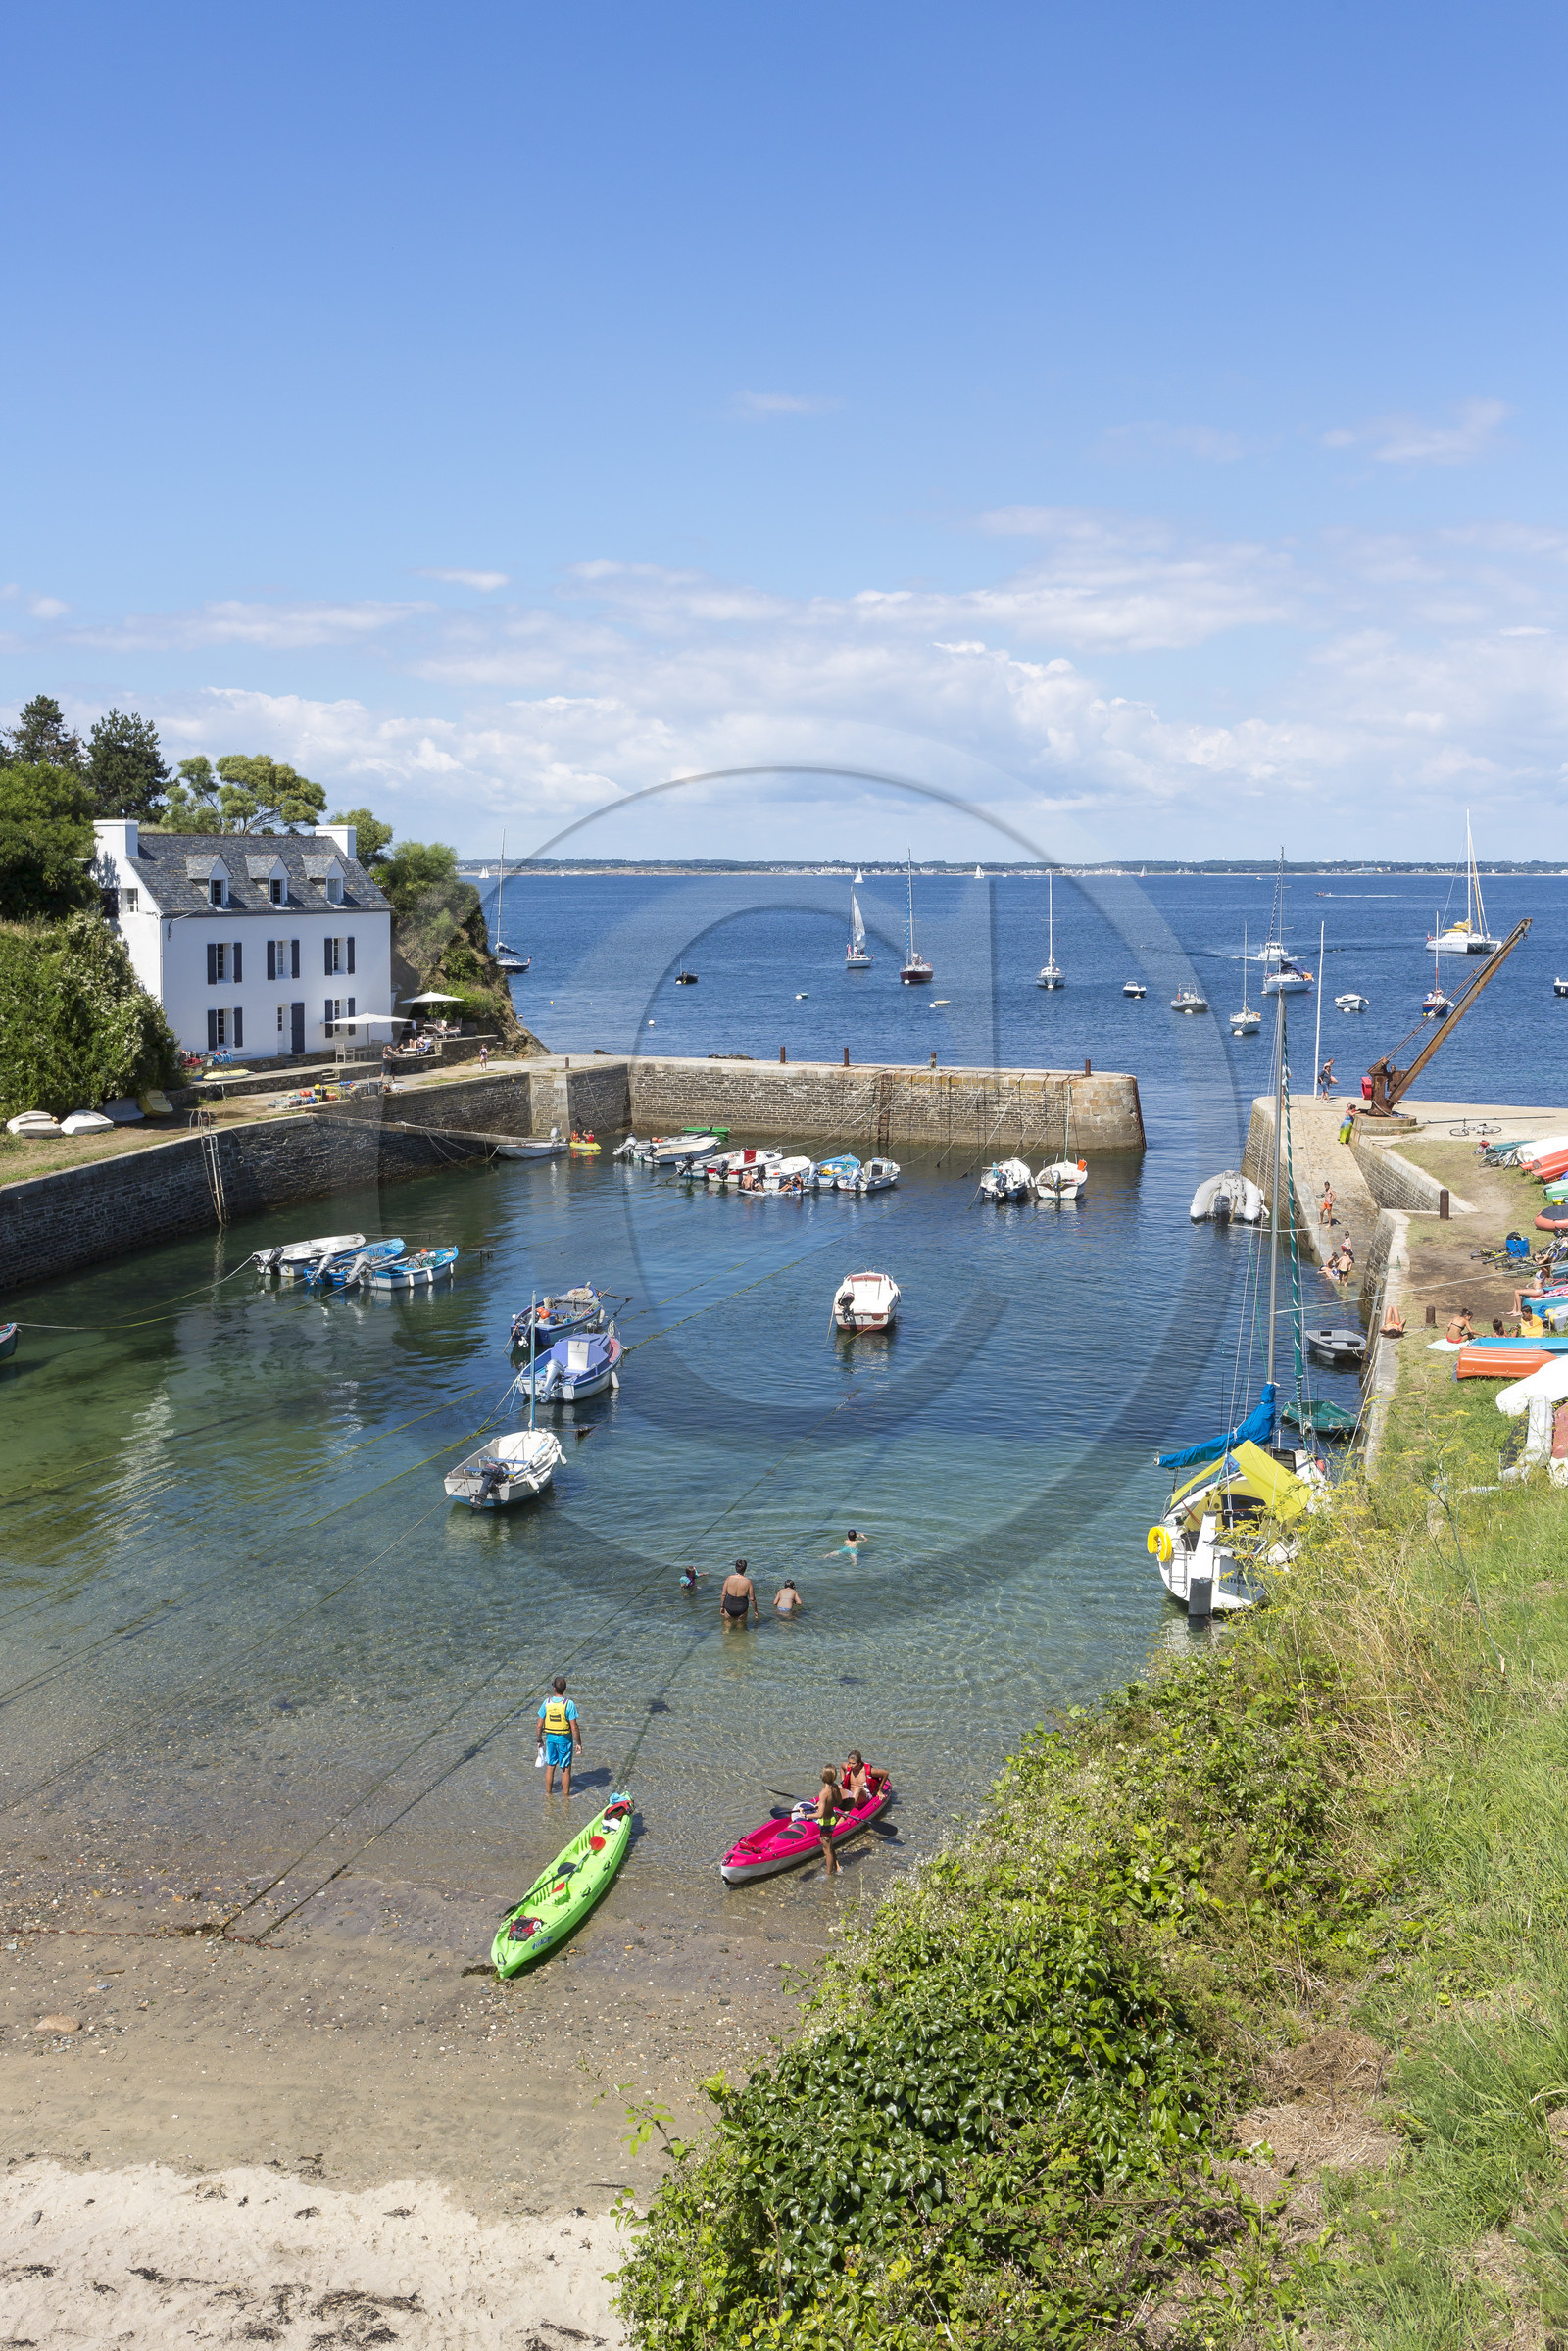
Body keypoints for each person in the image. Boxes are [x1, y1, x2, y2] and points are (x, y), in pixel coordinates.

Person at [536, 1676, 581, 1795]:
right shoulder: (569, 1704)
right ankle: (566, 1798)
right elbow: (574, 1727)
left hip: (550, 1739)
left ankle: (548, 1794)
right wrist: (579, 1743)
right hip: (565, 1740)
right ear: (565, 1689)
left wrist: (539, 1740)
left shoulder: (547, 1703)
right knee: (566, 1769)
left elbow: (539, 1726)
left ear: (554, 1688)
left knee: (550, 1766)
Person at [815, 1767, 849, 1877]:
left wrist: (805, 1814)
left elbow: (819, 1814)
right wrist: (822, 1804)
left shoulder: (823, 1792)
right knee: (829, 1846)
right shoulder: (834, 1787)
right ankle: (836, 1867)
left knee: (827, 1850)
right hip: (832, 1819)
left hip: (825, 1823)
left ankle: (829, 1874)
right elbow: (838, 1802)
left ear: (823, 1777)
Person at [720, 1560, 759, 1627]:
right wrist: (755, 1611)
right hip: (742, 1608)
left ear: (735, 1567)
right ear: (745, 1568)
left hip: (729, 1606)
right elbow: (752, 1599)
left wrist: (722, 1607)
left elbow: (723, 1595)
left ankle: (726, 1635)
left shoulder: (729, 1579)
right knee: (741, 1628)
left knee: (727, 1625)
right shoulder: (748, 1582)